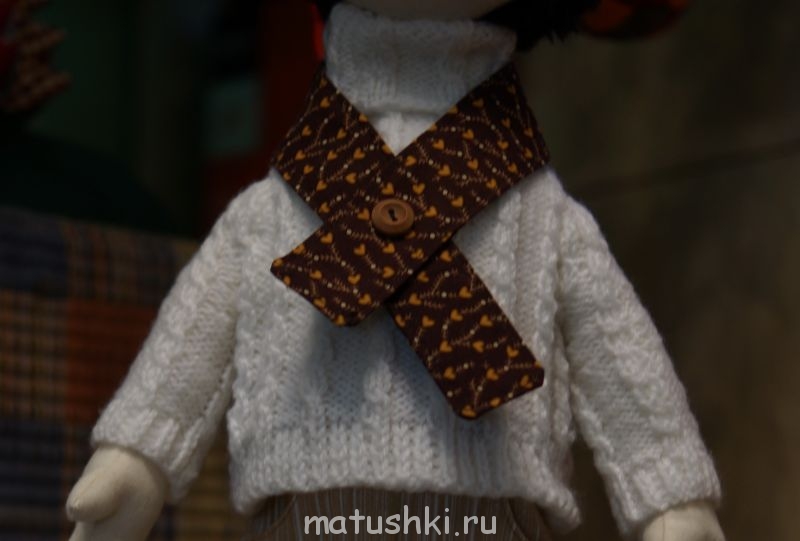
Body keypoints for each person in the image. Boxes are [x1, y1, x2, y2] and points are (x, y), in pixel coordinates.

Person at [66, 2, 725, 540]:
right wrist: (139, 454)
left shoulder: (540, 212)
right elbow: (198, 325)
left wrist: (669, 493)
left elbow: (615, 343)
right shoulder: (274, 204)